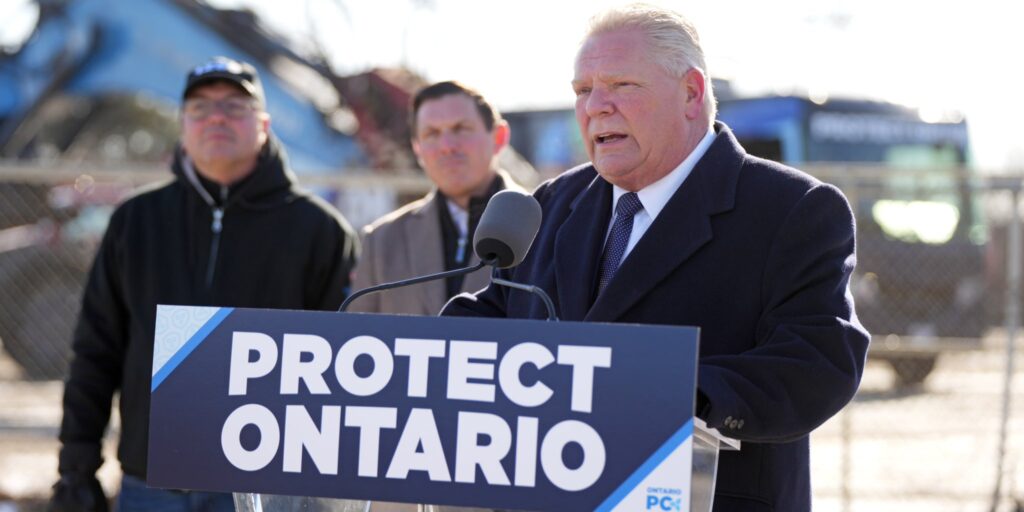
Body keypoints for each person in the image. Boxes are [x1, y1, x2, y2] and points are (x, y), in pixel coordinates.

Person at [442, 5, 870, 511]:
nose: (595, 106)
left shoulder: (793, 209)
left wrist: (673, 394)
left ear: (690, 92)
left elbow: (818, 362)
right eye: (582, 90)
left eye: (621, 85)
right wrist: (426, 354)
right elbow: (504, 312)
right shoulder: (553, 203)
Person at [48, 56, 359, 512]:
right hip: (149, 484)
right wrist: (76, 466)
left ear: (265, 124)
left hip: (264, 489)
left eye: (235, 107)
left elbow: (340, 371)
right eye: (200, 107)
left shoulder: (320, 231)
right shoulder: (135, 221)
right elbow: (97, 350)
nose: (216, 117)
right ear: (182, 124)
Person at [349, 81, 522, 315]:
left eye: (461, 129)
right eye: (432, 134)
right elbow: (359, 338)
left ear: (499, 137)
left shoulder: (550, 226)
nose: (447, 146)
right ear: (417, 148)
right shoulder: (382, 242)